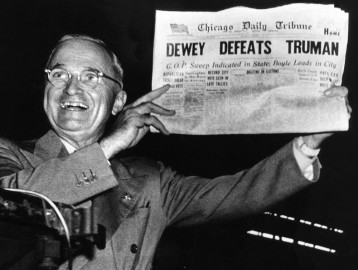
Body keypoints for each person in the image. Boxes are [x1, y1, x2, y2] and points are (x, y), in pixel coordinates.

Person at [0, 34, 350, 270]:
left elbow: (234, 194)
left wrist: (307, 143)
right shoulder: (11, 156)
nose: (72, 88)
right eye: (59, 74)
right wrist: (110, 145)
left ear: (118, 101)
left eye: (92, 77)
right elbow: (15, 203)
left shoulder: (151, 182)